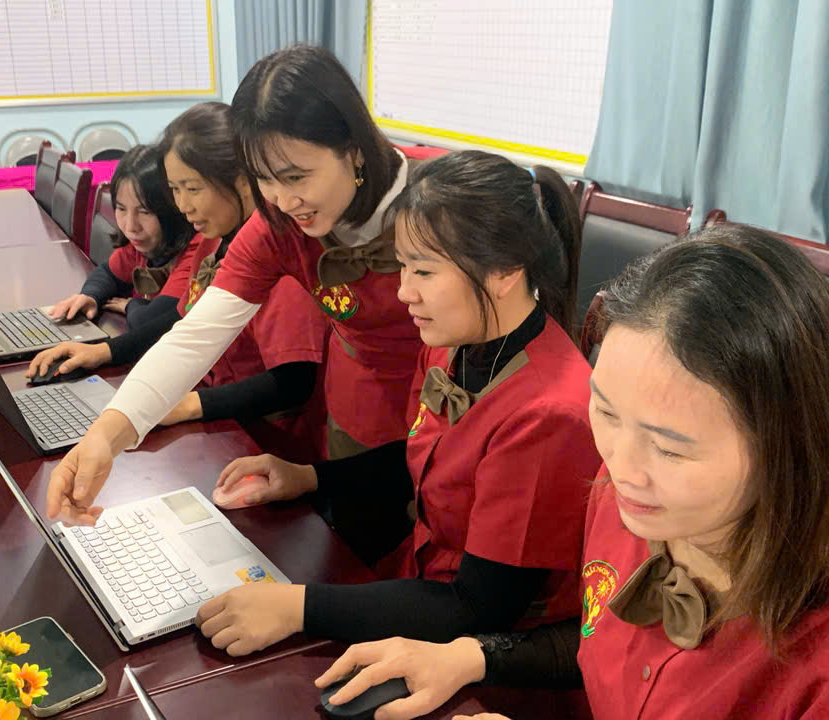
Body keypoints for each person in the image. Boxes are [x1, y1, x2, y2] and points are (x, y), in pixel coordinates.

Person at [309, 224, 829, 720]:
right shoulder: (624, 500)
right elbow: (600, 637)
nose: (621, 467)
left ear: (788, 445)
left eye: (670, 448)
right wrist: (468, 656)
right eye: (605, 412)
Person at [188, 151, 603, 658]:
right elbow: (414, 461)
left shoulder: (549, 416)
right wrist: (309, 477)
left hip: (483, 653)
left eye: (423, 271)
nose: (404, 292)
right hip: (421, 587)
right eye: (402, 266)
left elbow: (480, 607)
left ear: (503, 272)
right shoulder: (451, 344)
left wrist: (298, 608)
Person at [46, 45, 446, 526]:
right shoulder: (279, 222)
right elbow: (198, 333)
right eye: (263, 179)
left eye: (296, 176)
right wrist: (106, 435)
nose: (283, 199)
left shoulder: (441, 210)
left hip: (450, 414)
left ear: (354, 149)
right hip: (358, 409)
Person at [27, 103, 330, 462]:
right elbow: (184, 322)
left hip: (264, 441)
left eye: (193, 189)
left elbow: (294, 381)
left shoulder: (280, 262)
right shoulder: (214, 239)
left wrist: (190, 405)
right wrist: (104, 352)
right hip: (213, 415)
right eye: (175, 189)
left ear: (242, 180)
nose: (183, 206)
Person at [46, 144, 194, 329]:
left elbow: (151, 321)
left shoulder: (194, 252)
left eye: (145, 212)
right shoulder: (142, 245)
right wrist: (90, 296)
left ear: (173, 208)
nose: (130, 227)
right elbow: (107, 273)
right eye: (121, 209)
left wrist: (131, 305)